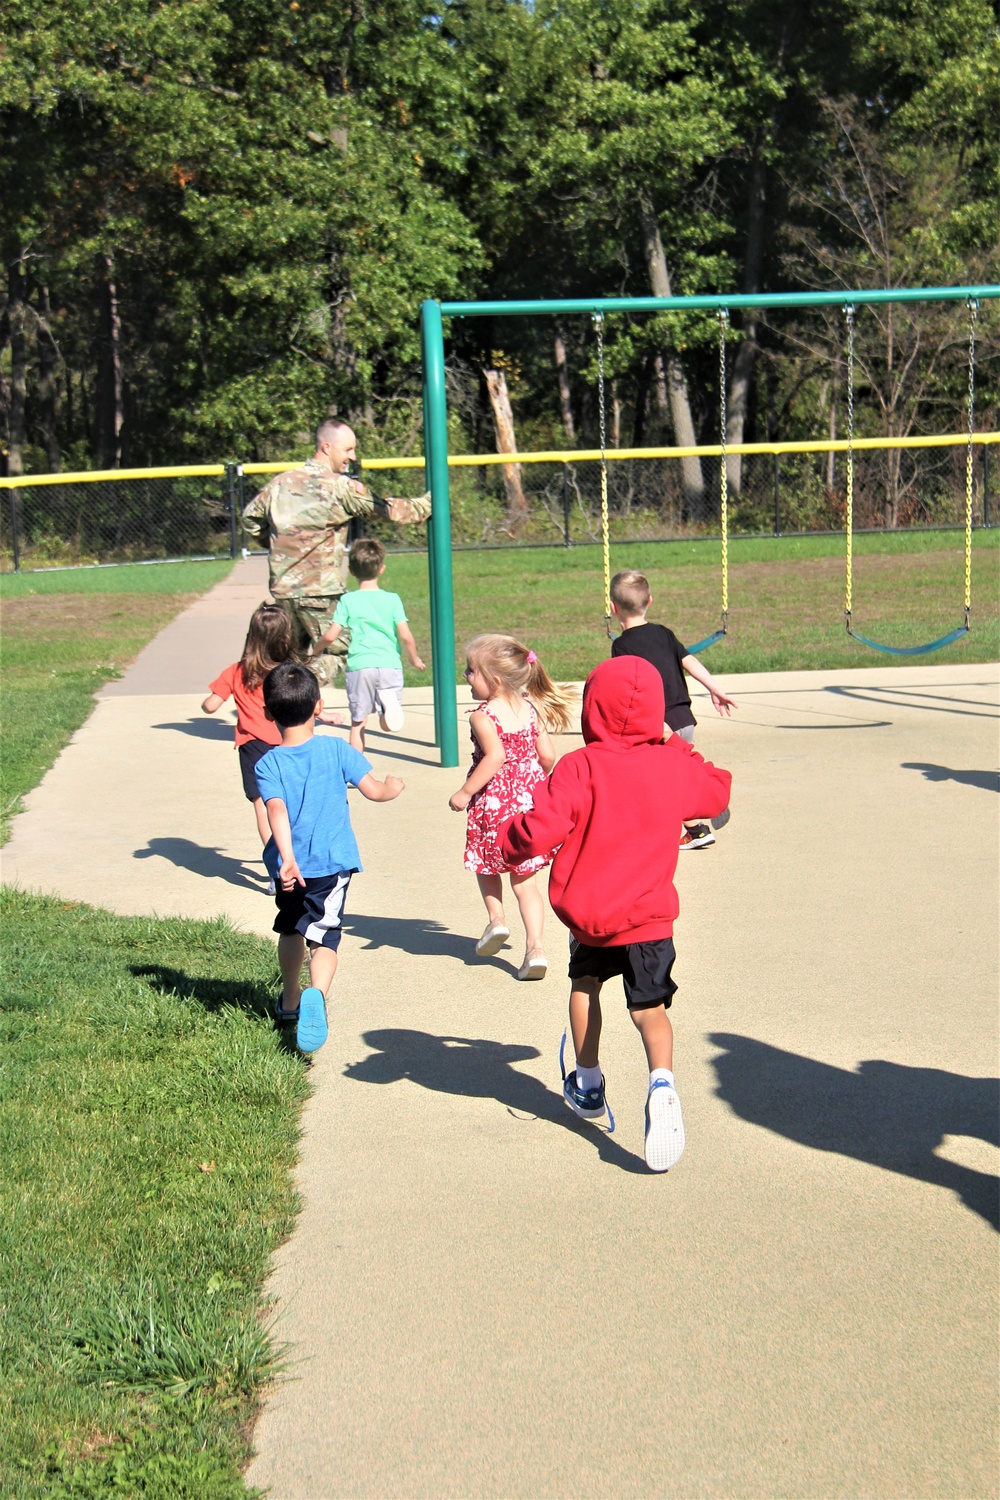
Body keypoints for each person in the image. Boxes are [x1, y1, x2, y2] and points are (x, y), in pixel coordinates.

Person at [498, 655, 731, 1172]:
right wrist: (674, 742)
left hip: (591, 913)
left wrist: (509, 841)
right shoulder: (669, 762)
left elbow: (540, 828)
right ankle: (663, 1085)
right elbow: (716, 790)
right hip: (648, 916)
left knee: (585, 988)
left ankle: (587, 1082)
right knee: (651, 1011)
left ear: (591, 709)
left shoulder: (579, 766)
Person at [255, 661, 404, 1053]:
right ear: (318, 707)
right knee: (325, 937)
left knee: (290, 929)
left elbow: (276, 811)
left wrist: (287, 858)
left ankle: (289, 998)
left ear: (269, 713)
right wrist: (393, 786)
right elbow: (373, 791)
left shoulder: (267, 763)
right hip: (332, 865)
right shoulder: (337, 749)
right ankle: (316, 994)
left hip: (289, 869)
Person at [241, 418, 431, 684]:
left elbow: (250, 518)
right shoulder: (339, 487)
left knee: (287, 658)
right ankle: (302, 689)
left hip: (284, 592)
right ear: (327, 447)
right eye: (348, 450)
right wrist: (428, 504)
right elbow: (387, 510)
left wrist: (275, 544)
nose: (352, 457)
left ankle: (281, 709)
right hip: (322, 593)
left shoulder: (280, 484)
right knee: (341, 648)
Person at [448, 634, 575, 982]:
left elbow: (495, 757)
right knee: (525, 883)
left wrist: (463, 792)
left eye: (472, 671)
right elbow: (548, 755)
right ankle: (535, 949)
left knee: (485, 862)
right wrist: (540, 781)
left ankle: (496, 920)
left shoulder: (482, 716)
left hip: (493, 802)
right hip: (527, 802)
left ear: (496, 680)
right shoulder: (530, 707)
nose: (466, 676)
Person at [609, 568, 736, 849]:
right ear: (649, 601)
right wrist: (714, 688)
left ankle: (698, 822)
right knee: (677, 772)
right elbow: (688, 661)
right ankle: (698, 822)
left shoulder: (621, 646)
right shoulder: (664, 633)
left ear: (612, 607)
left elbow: (628, 686)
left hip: (657, 723)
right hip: (683, 717)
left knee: (656, 780)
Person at [202, 602, 341, 856]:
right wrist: (326, 715)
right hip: (288, 742)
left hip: (253, 748)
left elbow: (210, 707)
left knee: (264, 806)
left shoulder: (236, 671)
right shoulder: (289, 674)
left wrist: (211, 699)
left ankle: (276, 867)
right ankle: (302, 852)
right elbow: (304, 703)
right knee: (294, 801)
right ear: (287, 638)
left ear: (252, 637)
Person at [319, 536, 425, 752]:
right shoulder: (392, 599)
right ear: (381, 569)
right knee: (388, 724)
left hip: (361, 666)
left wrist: (316, 649)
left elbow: (331, 636)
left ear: (351, 570)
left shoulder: (348, 600)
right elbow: (406, 635)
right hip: (389, 664)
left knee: (358, 722)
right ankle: (387, 707)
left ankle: (355, 771)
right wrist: (414, 659)